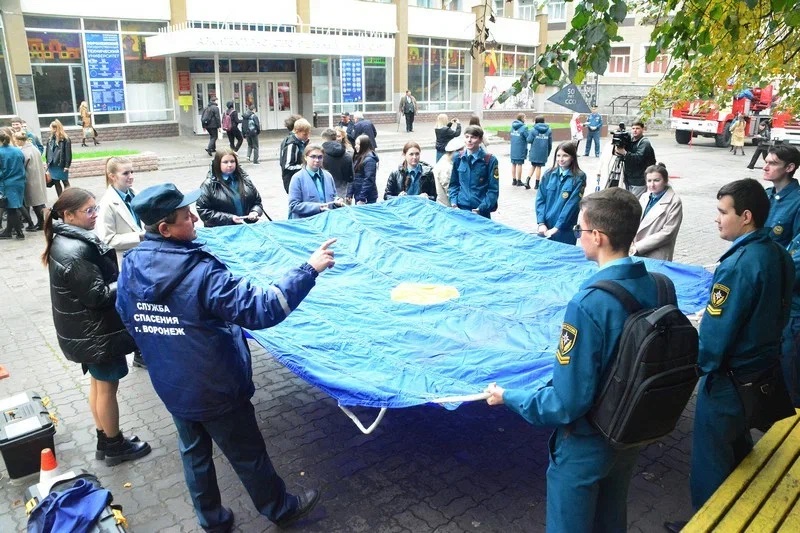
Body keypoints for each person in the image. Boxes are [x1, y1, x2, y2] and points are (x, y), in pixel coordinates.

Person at [117, 183, 332, 531]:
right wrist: (308, 270)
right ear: (164, 229)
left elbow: (127, 316)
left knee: (194, 451)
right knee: (247, 454)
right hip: (216, 387)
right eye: (186, 216)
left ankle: (211, 519)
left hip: (173, 384)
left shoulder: (131, 265)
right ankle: (280, 508)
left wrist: (164, 347)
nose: (195, 218)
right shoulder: (201, 273)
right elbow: (263, 308)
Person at [486, 187, 663, 533]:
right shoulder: (656, 285)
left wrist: (509, 397)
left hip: (587, 443)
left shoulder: (589, 303)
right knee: (611, 518)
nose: (579, 236)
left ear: (597, 236)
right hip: (628, 432)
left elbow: (566, 402)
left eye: (581, 230)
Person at [677, 179, 793, 524]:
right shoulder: (778, 253)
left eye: (722, 212)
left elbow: (715, 336)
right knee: (739, 448)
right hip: (761, 370)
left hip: (729, 380)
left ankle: (707, 522)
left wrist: (695, 369)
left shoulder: (738, 264)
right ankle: (736, 512)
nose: (716, 219)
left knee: (711, 459)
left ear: (745, 217)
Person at [42, 187, 151, 467]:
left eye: (95, 208)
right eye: (88, 210)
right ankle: (115, 445)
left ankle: (105, 438)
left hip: (86, 332)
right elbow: (97, 295)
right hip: (96, 334)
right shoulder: (74, 250)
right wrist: (127, 278)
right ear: (68, 215)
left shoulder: (64, 239)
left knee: (98, 384)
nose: (95, 215)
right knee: (106, 388)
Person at [94, 157, 147, 369]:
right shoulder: (107, 203)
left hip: (139, 258)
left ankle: (142, 350)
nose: (131, 177)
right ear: (112, 176)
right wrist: (139, 237)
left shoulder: (132, 195)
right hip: (124, 261)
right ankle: (138, 353)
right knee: (134, 309)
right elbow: (106, 239)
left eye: (132, 172)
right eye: (126, 173)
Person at [197, 147, 266, 227]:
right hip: (222, 232)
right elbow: (203, 211)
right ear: (218, 163)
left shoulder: (245, 180)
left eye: (232, 161)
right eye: (225, 162)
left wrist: (255, 212)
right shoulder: (208, 185)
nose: (229, 165)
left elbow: (257, 202)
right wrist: (230, 218)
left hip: (246, 228)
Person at [535, 141, 587, 245]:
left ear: (572, 157)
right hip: (545, 227)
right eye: (558, 155)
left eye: (565, 156)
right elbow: (540, 199)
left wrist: (557, 227)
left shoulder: (579, 177)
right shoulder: (548, 174)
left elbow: (572, 205)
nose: (561, 159)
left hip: (564, 230)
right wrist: (541, 223)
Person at [630, 163, 683, 260]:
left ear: (666, 181)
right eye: (649, 181)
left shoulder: (674, 202)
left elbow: (668, 233)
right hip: (636, 250)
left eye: (656, 180)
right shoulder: (644, 196)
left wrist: (639, 247)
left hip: (656, 253)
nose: (652, 185)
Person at [448, 125, 499, 219]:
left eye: (473, 137)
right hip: (460, 209)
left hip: (481, 212)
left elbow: (493, 190)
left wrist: (481, 208)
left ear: (480, 140)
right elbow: (453, 185)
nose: (469, 140)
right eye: (467, 137)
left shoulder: (490, 160)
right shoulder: (458, 158)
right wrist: (454, 203)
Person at [288, 144, 343, 219]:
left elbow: (333, 197)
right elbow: (293, 205)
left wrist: (337, 201)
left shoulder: (328, 176)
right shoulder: (297, 178)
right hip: (307, 223)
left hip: (327, 220)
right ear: (305, 157)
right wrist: (317, 207)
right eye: (313, 156)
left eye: (320, 157)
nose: (317, 160)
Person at [763, 144, 800, 247]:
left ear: (789, 167)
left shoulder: (797, 202)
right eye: (766, 162)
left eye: (772, 163)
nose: (765, 168)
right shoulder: (766, 194)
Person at [12, 131, 46, 232]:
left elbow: (23, 166)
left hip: (31, 179)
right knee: (38, 202)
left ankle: (42, 223)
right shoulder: (33, 148)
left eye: (16, 141)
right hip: (37, 178)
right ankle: (42, 222)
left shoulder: (25, 151)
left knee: (35, 203)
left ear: (19, 140)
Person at [614, 120, 656, 199]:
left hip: (639, 179)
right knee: (630, 201)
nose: (635, 130)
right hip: (629, 178)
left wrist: (624, 153)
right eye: (633, 128)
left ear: (643, 129)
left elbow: (638, 158)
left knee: (634, 203)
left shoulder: (644, 143)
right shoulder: (631, 140)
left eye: (637, 128)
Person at [0, 129, 27, 239]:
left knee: (11, 209)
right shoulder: (17, 150)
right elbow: (22, 163)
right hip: (19, 182)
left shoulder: (1, 152)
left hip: (7, 183)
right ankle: (9, 231)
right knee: (14, 207)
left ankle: (19, 233)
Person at [280, 118, 311, 194]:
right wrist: (304, 167)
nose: (307, 136)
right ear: (297, 131)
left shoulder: (298, 142)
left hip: (297, 178)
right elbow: (287, 166)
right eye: (305, 134)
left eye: (308, 133)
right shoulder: (292, 145)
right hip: (291, 179)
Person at [321, 128, 354, 198]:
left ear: (324, 139)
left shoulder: (319, 155)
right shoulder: (347, 154)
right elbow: (350, 177)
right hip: (341, 191)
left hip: (324, 189)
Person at [432, 136, 464, 207]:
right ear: (454, 151)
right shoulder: (446, 167)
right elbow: (449, 190)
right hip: (447, 207)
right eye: (461, 150)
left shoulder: (446, 160)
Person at [348, 134, 379, 205]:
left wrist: (362, 198)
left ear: (364, 145)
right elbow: (353, 176)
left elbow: (369, 179)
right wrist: (349, 193)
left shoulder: (369, 160)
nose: (355, 146)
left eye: (358, 144)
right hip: (359, 193)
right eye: (355, 144)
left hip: (367, 196)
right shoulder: (358, 157)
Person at [45, 119, 72, 197]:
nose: (50, 130)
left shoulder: (65, 139)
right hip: (52, 164)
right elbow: (48, 151)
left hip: (61, 164)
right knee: (56, 182)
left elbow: (68, 153)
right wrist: (47, 163)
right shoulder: (50, 139)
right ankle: (61, 199)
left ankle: (70, 197)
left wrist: (67, 165)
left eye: (51, 128)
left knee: (65, 181)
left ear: (55, 128)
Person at [526, 116, 553, 190]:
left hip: (534, 151)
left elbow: (529, 140)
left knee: (533, 166)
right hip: (543, 152)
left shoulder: (533, 130)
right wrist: (548, 152)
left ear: (536, 121)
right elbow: (550, 143)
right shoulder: (549, 130)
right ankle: (537, 184)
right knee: (538, 167)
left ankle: (527, 181)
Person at [509, 113, 528, 187]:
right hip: (520, 147)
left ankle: (514, 180)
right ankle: (519, 181)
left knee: (513, 164)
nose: (525, 119)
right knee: (519, 164)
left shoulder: (512, 126)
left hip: (513, 147)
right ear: (522, 118)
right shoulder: (524, 127)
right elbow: (528, 137)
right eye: (525, 117)